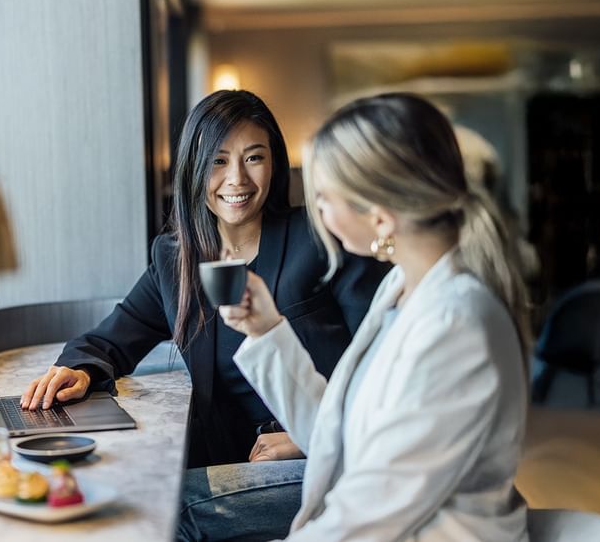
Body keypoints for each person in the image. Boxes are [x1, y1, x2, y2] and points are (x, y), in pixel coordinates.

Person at [179, 93, 531, 541]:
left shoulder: (455, 325)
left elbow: (376, 507)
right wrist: (267, 330)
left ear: (381, 219)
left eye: (325, 198)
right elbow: (339, 438)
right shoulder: (401, 289)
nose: (318, 214)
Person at [20, 89, 389, 468]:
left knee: (165, 516)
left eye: (254, 158)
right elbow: (109, 340)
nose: (237, 179)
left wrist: (309, 433)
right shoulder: (175, 258)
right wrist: (78, 369)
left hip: (322, 455)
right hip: (223, 458)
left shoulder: (321, 236)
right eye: (218, 160)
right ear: (193, 169)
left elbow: (384, 362)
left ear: (275, 163)